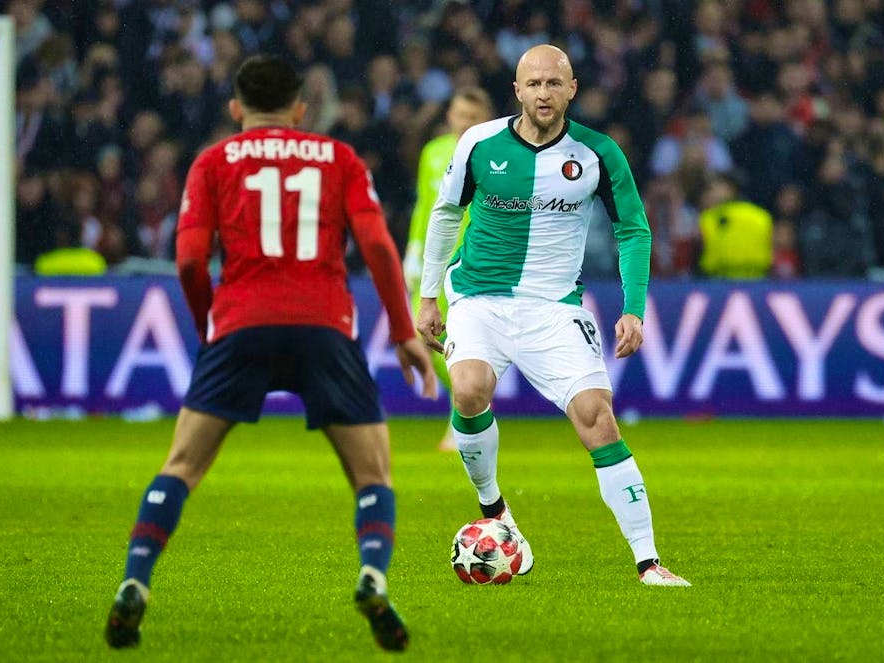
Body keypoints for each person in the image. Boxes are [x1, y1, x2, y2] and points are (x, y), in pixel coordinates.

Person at [104, 55, 437, 653]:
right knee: (372, 473)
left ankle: (136, 577)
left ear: (236, 108)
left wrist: (211, 324)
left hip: (241, 323)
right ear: (301, 109)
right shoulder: (339, 159)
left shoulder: (211, 162)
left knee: (181, 465)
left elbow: (186, 260)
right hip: (324, 326)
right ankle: (372, 573)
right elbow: (380, 248)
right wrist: (402, 326)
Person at [416, 44, 690, 587]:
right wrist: (429, 297)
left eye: (553, 83)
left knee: (597, 418)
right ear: (517, 91)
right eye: (533, 84)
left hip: (554, 307)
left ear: (572, 90)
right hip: (479, 297)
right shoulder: (479, 143)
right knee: (468, 389)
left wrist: (634, 308)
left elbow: (633, 229)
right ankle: (495, 512)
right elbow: (447, 213)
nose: (543, 93)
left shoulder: (598, 153)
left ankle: (648, 562)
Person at [404, 87, 495, 450]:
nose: (464, 122)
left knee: (455, 342)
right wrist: (413, 248)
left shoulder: (494, 155)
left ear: (485, 120)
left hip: (470, 265)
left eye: (472, 117)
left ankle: (466, 412)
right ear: (449, 116)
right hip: (432, 263)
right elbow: (425, 205)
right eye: (459, 114)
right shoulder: (433, 153)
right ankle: (471, 402)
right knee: (418, 337)